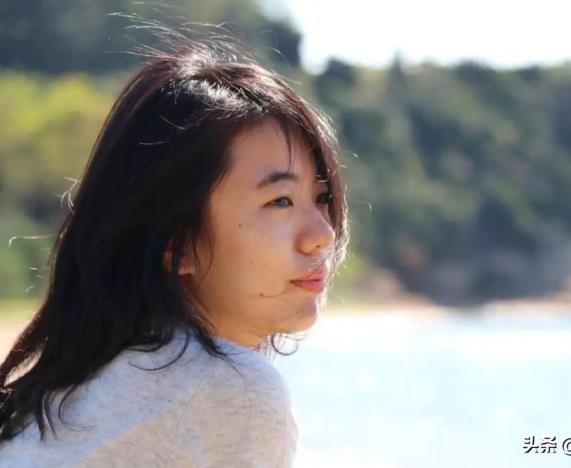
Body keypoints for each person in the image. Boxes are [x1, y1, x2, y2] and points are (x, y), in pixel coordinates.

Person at [0, 20, 349, 467]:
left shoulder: (64, 395)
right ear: (177, 242)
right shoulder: (234, 393)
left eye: (321, 198)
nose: (322, 235)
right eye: (279, 201)